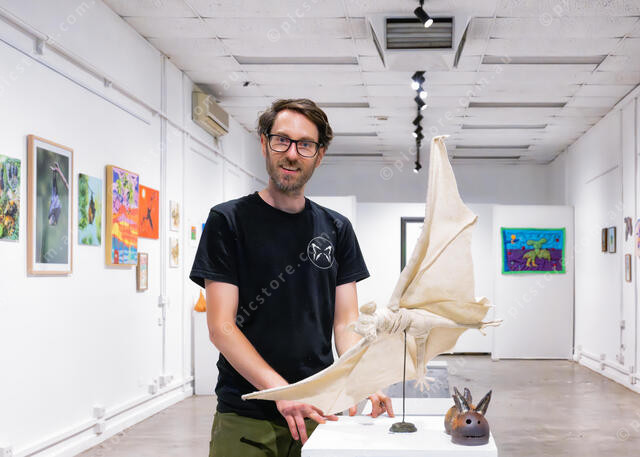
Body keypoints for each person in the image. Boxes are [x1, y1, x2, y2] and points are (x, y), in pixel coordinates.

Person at [190, 98, 393, 457]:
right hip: (247, 413)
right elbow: (221, 327)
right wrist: (282, 392)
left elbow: (345, 322)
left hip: (317, 410)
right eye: (282, 140)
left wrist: (359, 377)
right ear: (264, 143)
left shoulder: (337, 228)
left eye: (305, 144)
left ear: (320, 154)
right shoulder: (228, 221)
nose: (292, 154)